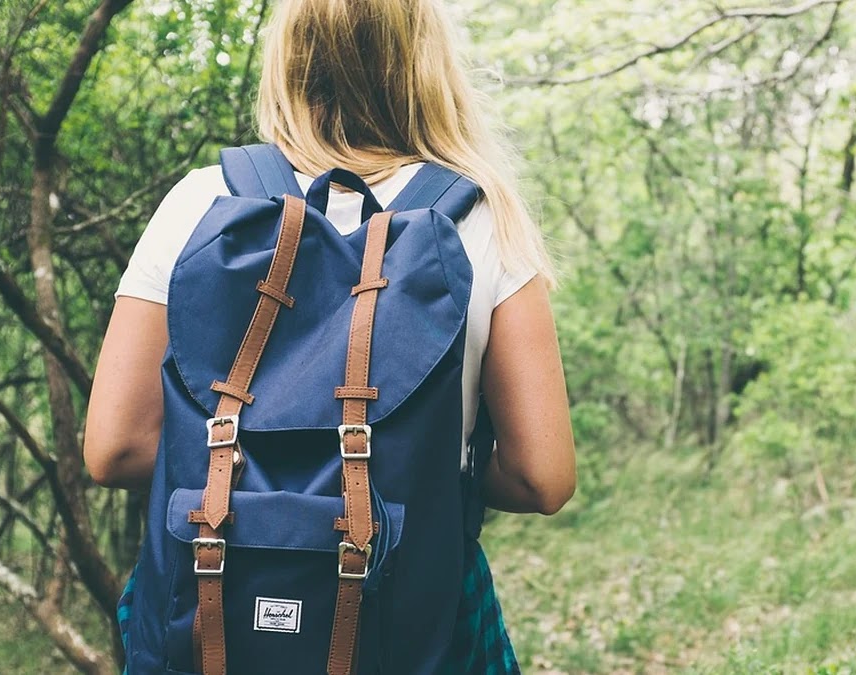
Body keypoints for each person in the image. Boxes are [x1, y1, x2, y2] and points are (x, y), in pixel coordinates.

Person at [84, 0, 576, 671]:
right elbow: (541, 476)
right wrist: (431, 473)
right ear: (424, 61)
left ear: (288, 56)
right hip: (406, 622)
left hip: (210, 611)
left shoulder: (199, 203)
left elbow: (114, 449)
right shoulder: (482, 219)